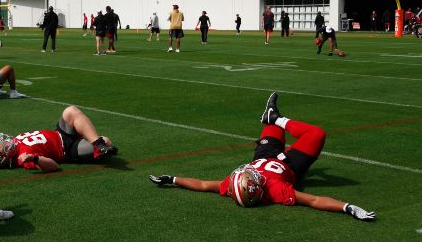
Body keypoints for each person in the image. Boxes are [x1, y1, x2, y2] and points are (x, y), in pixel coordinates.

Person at [149, 93, 376, 222]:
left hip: (265, 154)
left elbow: (202, 184)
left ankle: (272, 117)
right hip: (290, 165)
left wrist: (173, 179)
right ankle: (278, 119)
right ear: (257, 185)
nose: (244, 171)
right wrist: (347, 207)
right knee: (316, 134)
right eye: (248, 174)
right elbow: (314, 201)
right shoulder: (277, 190)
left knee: (269, 123)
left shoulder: (234, 185)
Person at [0, 106, 118, 172]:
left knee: (70, 110)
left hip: (60, 133)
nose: (6, 142)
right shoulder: (22, 158)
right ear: (6, 156)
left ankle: (98, 145)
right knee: (107, 141)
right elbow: (54, 166)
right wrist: (34, 158)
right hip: (67, 150)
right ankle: (100, 144)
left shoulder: (10, 147)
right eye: (4, 146)